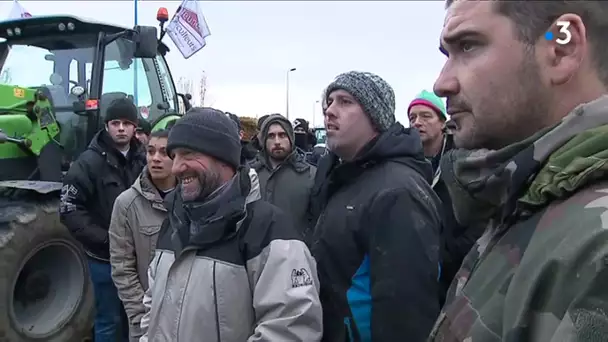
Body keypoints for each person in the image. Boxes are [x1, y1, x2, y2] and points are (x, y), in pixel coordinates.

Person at [428, 1, 608, 340]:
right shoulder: (528, 196)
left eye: (468, 45)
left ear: (561, 47)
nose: (442, 83)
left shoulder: (596, 248)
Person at [139, 107, 322, 342]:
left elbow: (292, 327)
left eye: (188, 154)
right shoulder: (173, 224)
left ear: (224, 159)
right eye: (175, 156)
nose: (176, 167)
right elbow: (152, 307)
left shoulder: (269, 230)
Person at [309, 71, 443, 341]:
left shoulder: (398, 192)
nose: (330, 111)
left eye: (345, 102)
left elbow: (407, 317)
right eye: (330, 101)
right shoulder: (343, 179)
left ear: (375, 116)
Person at [60, 97, 145, 342]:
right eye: (115, 122)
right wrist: (106, 240)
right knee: (108, 321)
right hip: (103, 259)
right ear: (107, 125)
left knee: (137, 317)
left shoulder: (144, 160)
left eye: (127, 123)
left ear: (134, 127)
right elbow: (69, 208)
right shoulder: (89, 163)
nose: (121, 128)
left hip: (138, 258)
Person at [408, 90, 483, 305]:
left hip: (459, 272)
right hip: (421, 273)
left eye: (426, 116)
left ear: (443, 123)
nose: (417, 123)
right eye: (412, 118)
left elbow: (481, 218)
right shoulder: (406, 165)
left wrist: (448, 254)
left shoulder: (464, 162)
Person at [108, 129, 176, 342]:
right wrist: (141, 315)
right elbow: (122, 267)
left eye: (164, 153)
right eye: (151, 151)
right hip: (146, 319)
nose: (155, 158)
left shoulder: (192, 201)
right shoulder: (126, 204)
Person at [251, 114, 316, 236]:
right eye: (271, 136)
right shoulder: (251, 175)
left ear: (291, 138)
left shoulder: (311, 175)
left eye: (282, 135)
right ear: (264, 141)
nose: (277, 142)